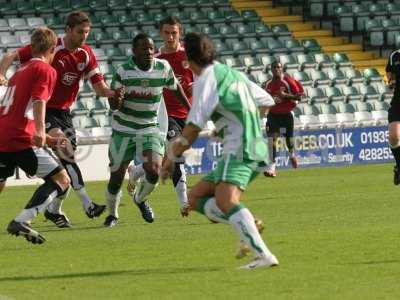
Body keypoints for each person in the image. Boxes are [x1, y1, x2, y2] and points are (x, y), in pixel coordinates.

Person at [161, 32, 279, 269]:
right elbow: (267, 101)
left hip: (240, 146)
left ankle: (262, 254)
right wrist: (231, 123)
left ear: (190, 60)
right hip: (256, 145)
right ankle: (248, 225)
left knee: (226, 200)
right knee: (194, 198)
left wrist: (171, 158)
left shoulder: (206, 79)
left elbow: (192, 129)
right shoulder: (231, 73)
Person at [0, 11, 123, 227]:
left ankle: (54, 210)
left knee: (64, 163)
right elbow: (11, 56)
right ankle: (87, 204)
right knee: (67, 155)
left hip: (65, 114)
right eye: (79, 32)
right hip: (46, 112)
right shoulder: (50, 47)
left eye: (87, 32)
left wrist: (112, 93)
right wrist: (1, 74)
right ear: (67, 30)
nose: (83, 36)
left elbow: (99, 86)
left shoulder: (86, 54)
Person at [103, 33, 191, 227]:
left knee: (154, 169)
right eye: (144, 49)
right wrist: (118, 98)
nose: (149, 52)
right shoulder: (123, 71)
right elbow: (113, 106)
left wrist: (190, 110)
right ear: (134, 51)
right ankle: (112, 215)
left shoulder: (163, 68)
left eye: (151, 48)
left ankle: (140, 199)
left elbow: (176, 89)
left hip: (149, 127)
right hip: (123, 128)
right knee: (116, 177)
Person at [0, 27, 70, 244]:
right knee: (62, 179)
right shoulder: (45, 70)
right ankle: (23, 220)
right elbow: (39, 101)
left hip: (3, 134)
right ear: (52, 49)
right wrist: (41, 131)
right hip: (19, 139)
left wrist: (47, 138)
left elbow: (20, 112)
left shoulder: (18, 72)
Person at [128, 16, 193, 217]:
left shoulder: (190, 56)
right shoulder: (154, 60)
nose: (170, 36)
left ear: (179, 33)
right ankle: (184, 203)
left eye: (174, 33)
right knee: (176, 151)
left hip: (187, 114)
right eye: (166, 33)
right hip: (164, 115)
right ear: (160, 33)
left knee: (165, 160)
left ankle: (137, 171)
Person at [263, 61, 304, 178]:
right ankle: (272, 168)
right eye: (274, 67)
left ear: (282, 69)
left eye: (278, 67)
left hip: (286, 115)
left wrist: (285, 95)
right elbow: (264, 100)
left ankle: (292, 155)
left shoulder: (288, 81)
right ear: (271, 69)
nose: (276, 69)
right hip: (273, 116)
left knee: (288, 140)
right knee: (272, 141)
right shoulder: (267, 84)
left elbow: (299, 97)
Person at [386, 50, 400, 184]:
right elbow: (389, 72)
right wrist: (391, 80)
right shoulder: (394, 56)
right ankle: (399, 166)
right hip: (398, 104)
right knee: (394, 137)